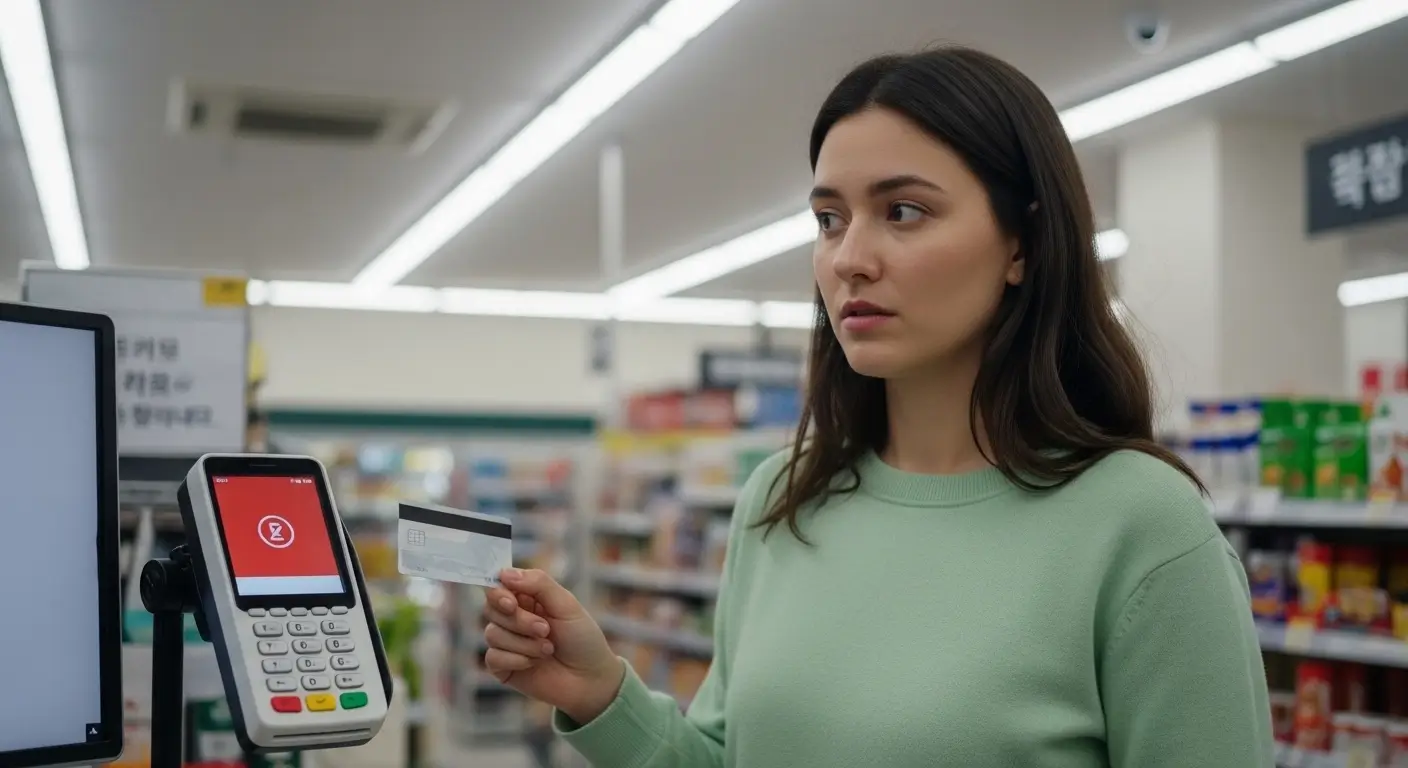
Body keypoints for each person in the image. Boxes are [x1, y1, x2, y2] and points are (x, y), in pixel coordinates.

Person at [481, 46, 1274, 767]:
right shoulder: (783, 501)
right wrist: (601, 695)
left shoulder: (1141, 527)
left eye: (903, 212)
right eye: (830, 220)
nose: (849, 258)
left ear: (1023, 245)